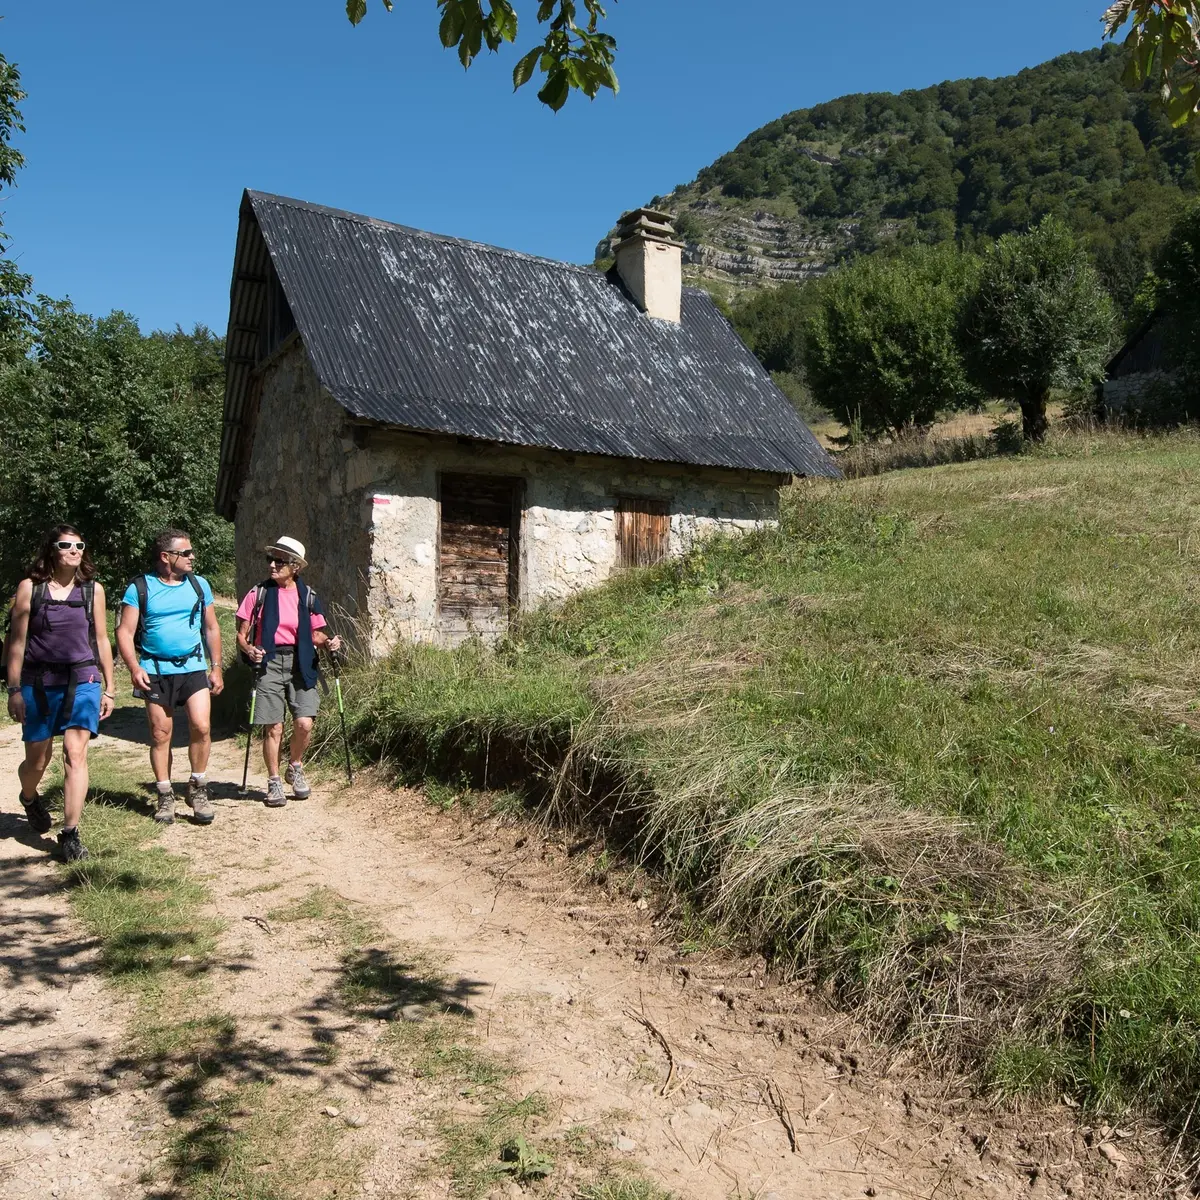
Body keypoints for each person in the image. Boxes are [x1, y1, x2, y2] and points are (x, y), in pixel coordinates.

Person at [5, 525, 116, 861]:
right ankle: (29, 797)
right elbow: (17, 642)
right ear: (52, 550)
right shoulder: (30, 589)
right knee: (38, 760)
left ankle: (70, 834)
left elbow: (101, 639)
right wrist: (13, 689)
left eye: (79, 545)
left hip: (82, 679)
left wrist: (109, 687)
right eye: (66, 545)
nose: (74, 550)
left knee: (74, 752)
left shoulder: (93, 590)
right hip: (38, 683)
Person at [116, 529, 224, 826]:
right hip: (156, 671)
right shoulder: (140, 587)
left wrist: (216, 666)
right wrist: (134, 667)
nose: (192, 557)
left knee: (201, 726)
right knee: (160, 734)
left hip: (193, 667)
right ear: (166, 557)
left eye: (191, 552)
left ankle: (198, 787)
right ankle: (165, 794)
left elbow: (212, 628)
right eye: (186, 553)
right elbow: (124, 631)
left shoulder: (199, 585)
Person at [235, 536, 340, 807]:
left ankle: (295, 766)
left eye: (279, 561)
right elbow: (242, 635)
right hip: (269, 662)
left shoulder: (307, 595)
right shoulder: (258, 593)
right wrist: (249, 651)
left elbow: (316, 633)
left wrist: (329, 642)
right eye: (270, 559)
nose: (272, 564)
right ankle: (273, 781)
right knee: (274, 726)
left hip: (301, 662)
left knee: (305, 723)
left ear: (295, 567)